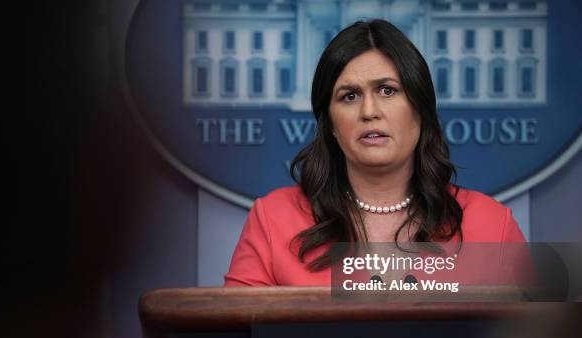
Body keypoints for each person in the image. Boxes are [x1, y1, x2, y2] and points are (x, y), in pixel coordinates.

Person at [225, 19, 527, 287]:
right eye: (350, 96)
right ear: (329, 122)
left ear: (420, 109)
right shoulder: (273, 220)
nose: (369, 111)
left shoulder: (491, 225)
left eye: (387, 90)